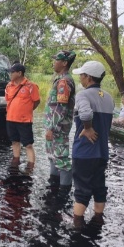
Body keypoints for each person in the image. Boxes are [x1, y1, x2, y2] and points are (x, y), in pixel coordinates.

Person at [71, 60, 114, 229]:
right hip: (102, 151)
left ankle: (77, 225)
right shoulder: (109, 97)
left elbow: (86, 113)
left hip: (85, 152)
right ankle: (97, 220)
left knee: (81, 189)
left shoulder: (83, 95)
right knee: (98, 186)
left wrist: (87, 128)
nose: (80, 78)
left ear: (88, 77)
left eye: (81, 75)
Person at [44, 51, 76, 198]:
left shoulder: (64, 81)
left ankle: (64, 192)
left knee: (62, 160)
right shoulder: (60, 79)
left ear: (64, 63)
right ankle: (54, 184)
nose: (53, 62)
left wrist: (51, 128)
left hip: (58, 128)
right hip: (54, 128)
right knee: (53, 156)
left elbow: (61, 107)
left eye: (56, 59)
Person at [5, 62, 40, 172]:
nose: (10, 74)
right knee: (14, 142)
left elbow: (36, 101)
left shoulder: (31, 86)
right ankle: (15, 162)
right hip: (10, 119)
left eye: (12, 72)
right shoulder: (8, 86)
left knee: (28, 145)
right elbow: (8, 100)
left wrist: (26, 111)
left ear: (19, 73)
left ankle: (30, 167)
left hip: (25, 121)